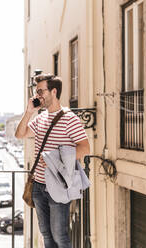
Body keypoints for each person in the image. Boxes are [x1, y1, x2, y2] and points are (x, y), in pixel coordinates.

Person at [15, 74, 90, 248]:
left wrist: (54, 158)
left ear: (53, 91)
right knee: (46, 234)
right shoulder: (40, 118)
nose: (37, 95)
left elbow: (85, 148)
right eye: (36, 91)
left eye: (41, 91)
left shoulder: (69, 118)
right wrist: (28, 112)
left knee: (60, 236)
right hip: (38, 186)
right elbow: (20, 134)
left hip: (59, 186)